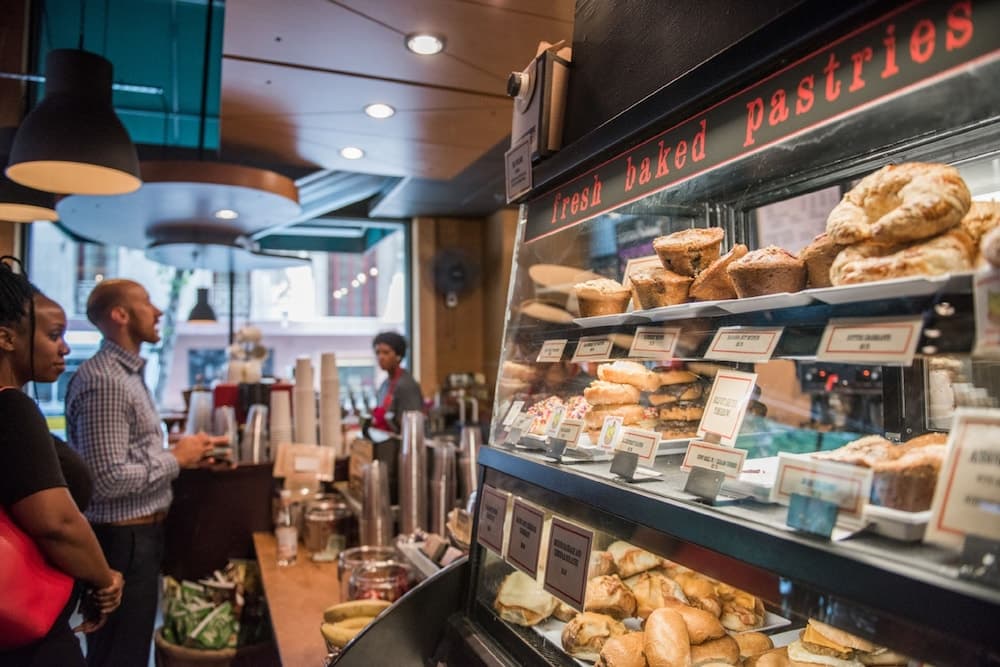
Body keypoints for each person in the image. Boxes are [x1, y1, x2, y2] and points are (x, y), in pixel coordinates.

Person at [65, 279, 218, 667]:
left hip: (137, 538)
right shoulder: (106, 380)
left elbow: (127, 456)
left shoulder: (127, 375)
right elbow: (106, 480)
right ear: (120, 315)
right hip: (122, 542)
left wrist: (180, 453)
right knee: (121, 655)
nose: (158, 311)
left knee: (130, 650)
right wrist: (176, 459)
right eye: (147, 303)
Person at [0, 258, 123, 667]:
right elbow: (58, 523)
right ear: (6, 338)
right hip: (30, 643)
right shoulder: (11, 409)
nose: (65, 348)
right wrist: (105, 579)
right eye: (54, 336)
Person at [371, 331, 424, 433]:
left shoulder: (406, 385)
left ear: (398, 356)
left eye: (386, 352)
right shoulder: (384, 384)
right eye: (377, 353)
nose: (380, 357)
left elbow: (413, 425)